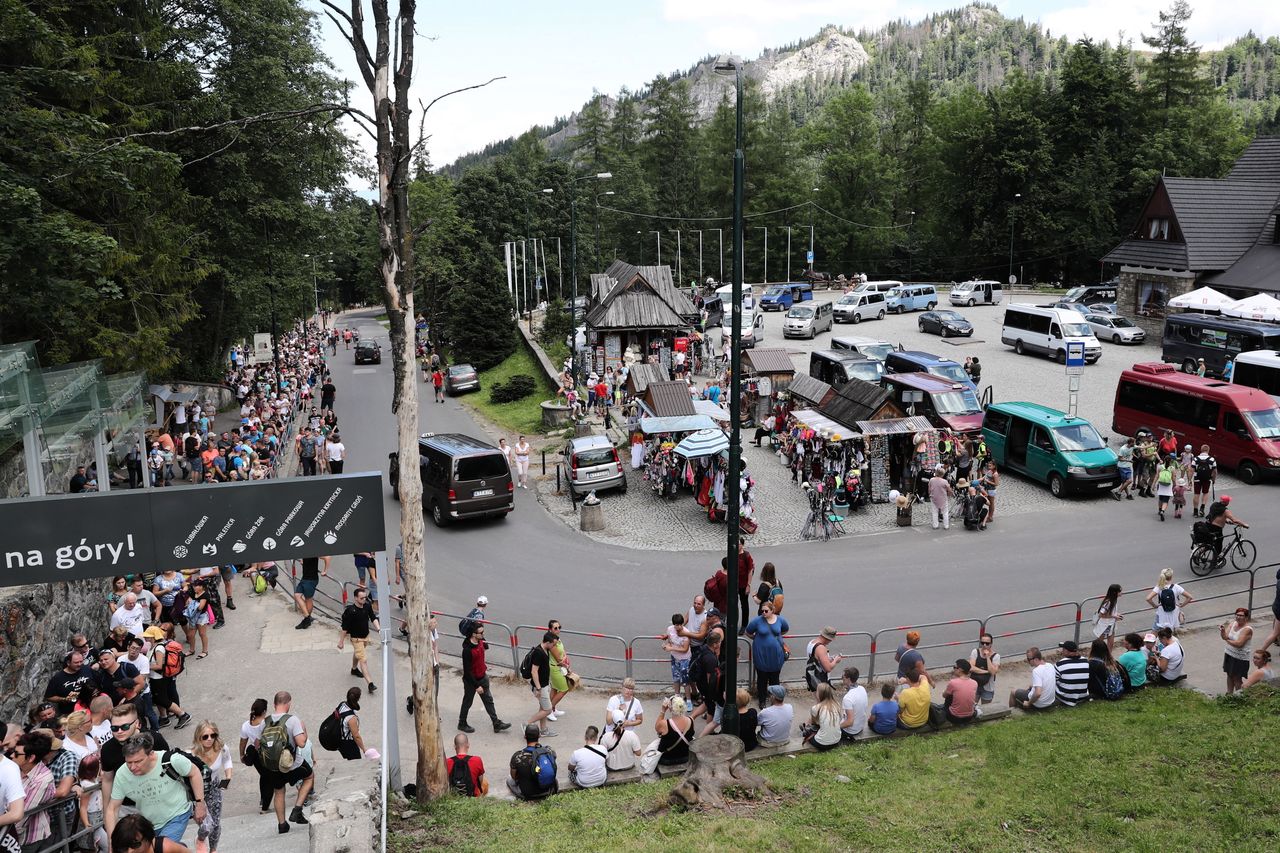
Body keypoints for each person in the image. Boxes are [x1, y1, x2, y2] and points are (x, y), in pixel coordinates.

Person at [105, 732, 206, 845]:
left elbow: (194, 772)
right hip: (148, 825)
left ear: (151, 754)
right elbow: (112, 809)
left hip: (177, 814)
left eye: (138, 761)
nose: (132, 767)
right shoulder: (122, 774)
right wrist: (111, 842)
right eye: (129, 762)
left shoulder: (171, 760)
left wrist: (200, 804)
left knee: (160, 848)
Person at [261, 692, 313, 833]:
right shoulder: (292, 720)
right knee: (309, 777)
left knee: (279, 791)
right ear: (288, 703)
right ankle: (297, 809)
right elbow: (301, 744)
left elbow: (257, 745)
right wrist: (304, 731)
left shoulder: (265, 722)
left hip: (272, 766)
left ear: (274, 704)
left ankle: (282, 825)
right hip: (291, 764)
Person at [458, 623, 511, 734]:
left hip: (483, 676)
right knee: (468, 701)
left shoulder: (481, 641)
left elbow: (486, 647)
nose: (483, 634)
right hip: (471, 681)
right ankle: (462, 723)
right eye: (481, 633)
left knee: (489, 701)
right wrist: (476, 686)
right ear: (473, 634)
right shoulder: (467, 650)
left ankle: (496, 723)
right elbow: (467, 672)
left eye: (483, 632)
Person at [191, 721, 232, 853]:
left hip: (214, 788)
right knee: (207, 825)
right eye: (205, 736)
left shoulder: (221, 748)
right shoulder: (190, 755)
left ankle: (213, 850)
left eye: (212, 735)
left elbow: (227, 760)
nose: (210, 739)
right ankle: (200, 839)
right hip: (197, 793)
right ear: (198, 737)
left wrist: (228, 777)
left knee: (216, 824)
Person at [744, 602, 789, 708]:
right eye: (762, 611)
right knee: (762, 679)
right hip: (761, 655)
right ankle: (762, 700)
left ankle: (775, 699)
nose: (763, 613)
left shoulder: (780, 620)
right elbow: (748, 632)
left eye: (766, 611)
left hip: (776, 655)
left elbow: (785, 629)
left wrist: (775, 637)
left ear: (772, 611)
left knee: (775, 679)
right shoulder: (757, 621)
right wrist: (757, 639)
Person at [338, 587, 378, 694]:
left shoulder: (367, 606)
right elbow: (345, 628)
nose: (364, 600)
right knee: (363, 660)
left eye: (365, 598)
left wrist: (378, 629)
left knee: (358, 653)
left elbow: (373, 617)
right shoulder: (350, 611)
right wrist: (341, 642)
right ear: (355, 598)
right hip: (356, 639)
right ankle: (370, 683)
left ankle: (354, 669)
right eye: (361, 598)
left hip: (365, 636)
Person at [507, 725, 557, 801]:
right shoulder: (549, 751)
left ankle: (523, 796)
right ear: (539, 735)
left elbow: (514, 776)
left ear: (525, 736)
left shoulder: (518, 756)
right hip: (547, 790)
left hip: (528, 794)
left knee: (509, 779)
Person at [110, 813, 191, 853]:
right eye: (124, 847)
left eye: (135, 844)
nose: (130, 851)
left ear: (147, 838)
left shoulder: (164, 847)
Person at [1204, 494, 1248, 564]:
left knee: (1210, 542)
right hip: (1216, 529)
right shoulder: (1225, 511)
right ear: (1226, 502)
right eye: (1228, 501)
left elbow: (1217, 515)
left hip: (1208, 525)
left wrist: (1226, 520)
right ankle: (1214, 562)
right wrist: (1244, 524)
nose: (1229, 502)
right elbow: (1234, 520)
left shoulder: (1214, 505)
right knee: (1218, 546)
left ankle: (1199, 553)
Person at [1146, 568, 1192, 632]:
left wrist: (1155, 606)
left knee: (1155, 631)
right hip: (1174, 612)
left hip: (1162, 612)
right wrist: (1181, 605)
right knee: (1170, 632)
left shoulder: (1159, 587)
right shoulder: (1176, 587)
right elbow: (1189, 597)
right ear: (1171, 577)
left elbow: (1148, 598)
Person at [546, 620, 575, 721]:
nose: (558, 630)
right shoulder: (552, 643)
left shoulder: (557, 639)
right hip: (556, 668)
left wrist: (565, 658)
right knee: (564, 689)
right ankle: (548, 711)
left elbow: (563, 653)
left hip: (558, 667)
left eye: (559, 627)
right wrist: (567, 667)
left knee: (554, 688)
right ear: (550, 629)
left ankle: (552, 709)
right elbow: (559, 659)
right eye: (555, 628)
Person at [1220, 608, 1254, 694]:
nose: (1238, 617)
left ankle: (1239, 696)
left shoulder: (1247, 629)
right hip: (1229, 654)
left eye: (1241, 615)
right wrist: (1223, 631)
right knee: (1229, 675)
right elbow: (1225, 637)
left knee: (1237, 678)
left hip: (1240, 657)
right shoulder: (1233, 624)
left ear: (1246, 617)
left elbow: (1239, 644)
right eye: (1237, 615)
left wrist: (1227, 641)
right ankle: (1229, 694)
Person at [653, 696, 694, 766]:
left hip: (666, 759)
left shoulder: (665, 723)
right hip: (685, 757)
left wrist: (663, 710)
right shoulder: (691, 720)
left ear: (670, 708)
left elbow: (657, 728)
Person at [331, 687, 369, 761]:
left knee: (348, 759)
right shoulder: (351, 718)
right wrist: (364, 749)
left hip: (340, 740)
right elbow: (356, 736)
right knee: (356, 762)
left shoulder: (342, 704)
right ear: (358, 698)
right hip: (348, 744)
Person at [293, 555, 330, 630]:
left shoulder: (313, 551)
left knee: (308, 599)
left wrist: (325, 571)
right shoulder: (305, 551)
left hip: (311, 580)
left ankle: (307, 619)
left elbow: (327, 557)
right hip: (304, 578)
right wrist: (303, 561)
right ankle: (307, 618)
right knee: (297, 595)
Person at [804, 683, 843, 751]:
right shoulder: (837, 704)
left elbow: (814, 723)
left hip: (821, 743)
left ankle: (804, 729)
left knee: (808, 730)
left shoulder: (816, 708)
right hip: (836, 741)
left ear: (820, 695)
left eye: (817, 691)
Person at [939, 660, 979, 725]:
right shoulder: (974, 683)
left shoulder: (953, 682)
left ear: (960, 670)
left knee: (949, 696)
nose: (953, 669)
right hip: (969, 717)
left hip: (954, 717)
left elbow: (944, 695)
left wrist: (944, 691)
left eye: (955, 667)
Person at [663, 614, 692, 699]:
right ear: (673, 624)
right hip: (674, 658)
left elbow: (685, 649)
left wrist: (671, 648)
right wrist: (666, 646)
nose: (679, 627)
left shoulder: (686, 633)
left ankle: (689, 699)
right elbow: (670, 641)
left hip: (685, 659)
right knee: (676, 678)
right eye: (676, 625)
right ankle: (677, 697)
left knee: (685, 680)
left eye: (680, 624)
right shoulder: (670, 629)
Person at [1054, 640, 1090, 707]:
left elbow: (1052, 681)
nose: (1062, 651)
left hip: (1066, 698)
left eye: (1063, 649)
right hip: (1082, 696)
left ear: (1066, 651)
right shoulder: (1085, 661)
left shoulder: (1060, 664)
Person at [968, 633, 1000, 704]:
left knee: (986, 709)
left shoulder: (996, 656)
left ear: (991, 644)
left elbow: (993, 672)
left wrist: (988, 657)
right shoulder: (975, 652)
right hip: (974, 684)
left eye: (987, 643)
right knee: (971, 705)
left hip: (988, 687)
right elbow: (971, 667)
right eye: (982, 643)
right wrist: (985, 672)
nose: (984, 645)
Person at [838, 667, 868, 741]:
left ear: (848, 679)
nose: (842, 679)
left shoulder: (848, 698)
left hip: (851, 731)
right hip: (860, 726)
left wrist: (836, 727)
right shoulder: (862, 688)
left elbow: (849, 722)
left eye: (843, 677)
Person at [1092, 584, 1124, 652]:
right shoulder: (1108, 602)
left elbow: (1109, 612)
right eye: (1120, 591)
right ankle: (1096, 655)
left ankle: (1108, 657)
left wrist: (1116, 614)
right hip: (1105, 625)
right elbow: (1101, 615)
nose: (1121, 593)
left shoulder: (1114, 600)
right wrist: (1114, 616)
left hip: (1111, 625)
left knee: (1111, 643)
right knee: (1099, 643)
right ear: (1115, 592)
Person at [1191, 444, 1216, 517]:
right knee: (1205, 493)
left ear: (1201, 450)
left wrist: (1189, 479)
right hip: (1207, 479)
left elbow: (1191, 470)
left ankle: (1195, 511)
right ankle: (1202, 508)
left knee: (1196, 494)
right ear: (1208, 450)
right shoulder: (1212, 459)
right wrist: (1213, 479)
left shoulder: (1195, 459)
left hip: (1197, 479)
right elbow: (1214, 471)